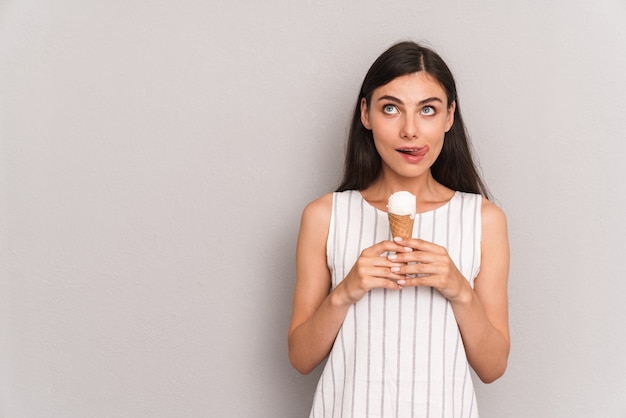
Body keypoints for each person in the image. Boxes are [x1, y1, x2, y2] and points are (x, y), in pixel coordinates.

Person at [288, 41, 510, 418]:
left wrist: (458, 289)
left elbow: (492, 367)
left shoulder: (484, 219)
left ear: (449, 116)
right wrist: (346, 291)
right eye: (391, 108)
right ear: (366, 113)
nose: (410, 130)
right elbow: (301, 357)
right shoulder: (325, 215)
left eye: (427, 110)